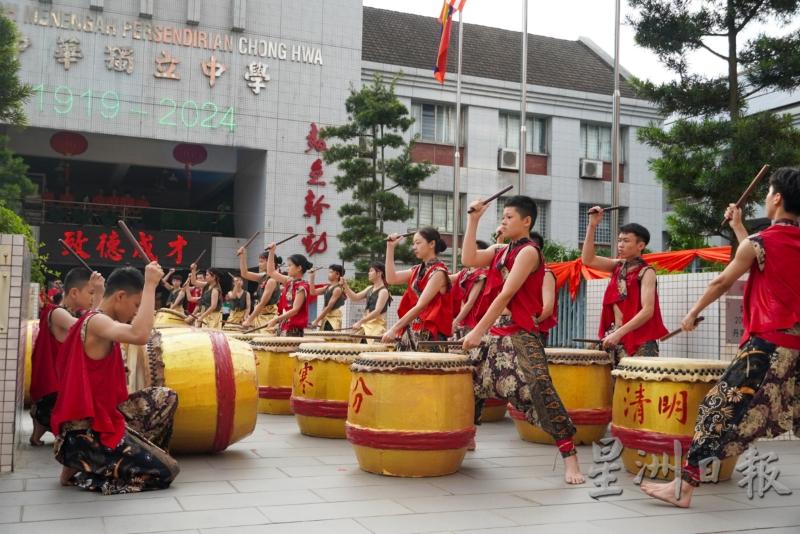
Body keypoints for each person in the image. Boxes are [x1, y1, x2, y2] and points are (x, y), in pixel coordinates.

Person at [641, 167, 800, 507]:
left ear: (776, 198)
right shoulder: (774, 243)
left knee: (716, 410)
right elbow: (764, 258)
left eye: (768, 193)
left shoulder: (761, 243)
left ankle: (683, 488)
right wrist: (739, 227)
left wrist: (689, 313)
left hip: (767, 347)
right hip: (795, 349)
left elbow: (722, 281)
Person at [462, 195, 585, 485]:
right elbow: (468, 259)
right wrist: (473, 220)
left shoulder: (529, 252)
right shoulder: (501, 250)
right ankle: (468, 436)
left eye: (509, 217)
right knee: (469, 380)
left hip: (518, 331)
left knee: (540, 388)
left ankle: (570, 457)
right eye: (502, 217)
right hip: (495, 330)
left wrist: (478, 330)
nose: (503, 221)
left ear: (526, 221)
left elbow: (506, 293)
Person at [50, 264, 180, 494]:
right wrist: (150, 284)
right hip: (84, 433)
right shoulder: (98, 322)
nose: (135, 313)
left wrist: (99, 291)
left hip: (103, 416)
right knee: (166, 471)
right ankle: (85, 472)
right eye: (136, 305)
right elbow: (139, 335)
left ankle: (124, 453)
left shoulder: (96, 317)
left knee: (165, 397)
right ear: (120, 296)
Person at [29, 268, 104, 446]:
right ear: (74, 292)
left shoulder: (59, 311)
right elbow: (87, 329)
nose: (93, 297)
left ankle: (38, 432)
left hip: (53, 385)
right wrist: (100, 297)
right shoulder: (58, 313)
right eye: (91, 293)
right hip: (52, 388)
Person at [581, 210, 667, 363]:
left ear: (640, 245)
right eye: (619, 240)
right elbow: (588, 260)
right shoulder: (617, 266)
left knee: (636, 386)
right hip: (616, 336)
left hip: (639, 340)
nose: (620, 245)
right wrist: (592, 225)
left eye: (626, 241)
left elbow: (648, 311)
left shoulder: (646, 272)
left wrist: (618, 333)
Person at [382, 227, 453, 350]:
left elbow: (421, 306)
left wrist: (394, 328)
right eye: (413, 243)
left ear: (432, 244)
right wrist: (390, 247)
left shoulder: (439, 272)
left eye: (418, 243)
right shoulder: (417, 270)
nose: (414, 247)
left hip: (430, 335)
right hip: (412, 331)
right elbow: (391, 279)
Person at [264, 244, 312, 337]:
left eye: (290, 265)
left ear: (299, 268)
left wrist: (276, 319)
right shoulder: (289, 281)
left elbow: (295, 310)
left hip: (293, 330)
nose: (287, 268)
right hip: (284, 326)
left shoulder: (302, 287)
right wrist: (271, 252)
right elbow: (271, 272)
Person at [450, 240, 489, 339]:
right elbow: (447, 278)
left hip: (473, 321)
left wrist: (456, 321)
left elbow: (470, 302)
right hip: (463, 320)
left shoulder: (481, 274)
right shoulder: (465, 272)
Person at [343, 262, 392, 338]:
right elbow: (354, 297)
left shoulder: (383, 291)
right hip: (366, 326)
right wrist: (345, 285)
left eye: (371, 271)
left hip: (376, 328)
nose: (369, 273)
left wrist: (360, 322)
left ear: (379, 273)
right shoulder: (369, 288)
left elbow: (377, 311)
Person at [238, 248, 282, 329]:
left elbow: (262, 303)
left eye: (261, 262)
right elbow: (244, 274)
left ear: (270, 263)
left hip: (268, 320)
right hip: (259, 317)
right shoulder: (263, 277)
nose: (259, 264)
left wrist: (249, 320)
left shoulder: (272, 280)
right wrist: (242, 256)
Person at [530, 231, 558, 346]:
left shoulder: (545, 274)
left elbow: (547, 309)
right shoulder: (520, 274)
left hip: (534, 332)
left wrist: (532, 323)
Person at [310, 265, 347, 331]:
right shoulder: (327, 287)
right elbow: (313, 292)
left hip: (333, 320)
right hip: (326, 318)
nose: (328, 274)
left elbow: (329, 307)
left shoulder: (337, 289)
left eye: (331, 272)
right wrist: (312, 277)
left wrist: (316, 320)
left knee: (330, 339)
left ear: (337, 275)